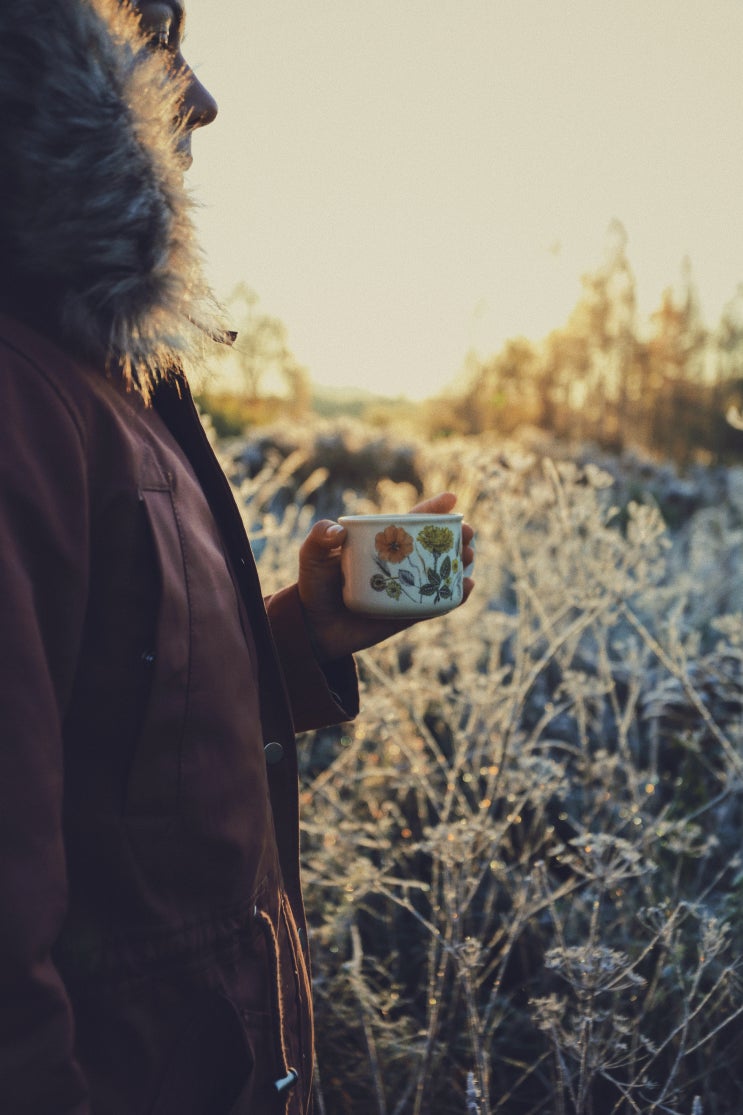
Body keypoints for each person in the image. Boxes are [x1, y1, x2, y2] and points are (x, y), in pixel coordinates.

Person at [0, 2, 474, 1113]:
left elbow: (107, 729)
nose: (199, 97)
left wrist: (301, 632)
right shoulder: (25, 398)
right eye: (151, 32)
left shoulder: (97, 380)